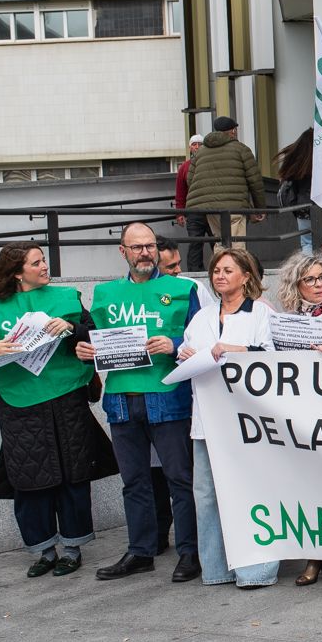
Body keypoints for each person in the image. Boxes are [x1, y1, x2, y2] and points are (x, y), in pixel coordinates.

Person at [77, 222, 200, 582]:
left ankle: (190, 552)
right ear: (123, 252)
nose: (145, 252)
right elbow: (98, 344)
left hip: (168, 397)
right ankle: (141, 551)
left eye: (149, 246)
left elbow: (201, 336)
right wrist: (86, 351)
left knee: (180, 478)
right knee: (134, 481)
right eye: (137, 247)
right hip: (121, 399)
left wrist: (175, 343)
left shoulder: (183, 288)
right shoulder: (104, 293)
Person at [0, 243, 111, 577]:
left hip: (66, 396)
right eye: (36, 262)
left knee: (73, 473)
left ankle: (72, 548)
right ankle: (43, 550)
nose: (45, 266)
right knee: (30, 478)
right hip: (19, 404)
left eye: (44, 260)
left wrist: (72, 329)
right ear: (16, 272)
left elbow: (100, 336)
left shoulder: (67, 298)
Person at [175, 247, 279, 589]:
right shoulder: (201, 317)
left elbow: (272, 357)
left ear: (246, 276)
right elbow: (187, 355)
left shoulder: (259, 314)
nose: (220, 275)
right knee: (206, 495)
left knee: (249, 491)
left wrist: (238, 351)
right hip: (206, 419)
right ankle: (216, 568)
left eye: (228, 270)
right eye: (216, 270)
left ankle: (256, 570)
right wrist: (185, 354)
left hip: (246, 421)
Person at [272, 250, 322, 587]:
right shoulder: (283, 320)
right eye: (311, 279)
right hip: (298, 415)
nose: (318, 285)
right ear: (296, 284)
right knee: (307, 489)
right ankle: (313, 555)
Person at [184, 117, 265, 249]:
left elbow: (190, 179)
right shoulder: (241, 149)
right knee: (237, 244)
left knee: (220, 242)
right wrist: (260, 207)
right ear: (232, 131)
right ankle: (234, 268)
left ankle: (220, 268)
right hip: (235, 206)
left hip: (209, 207)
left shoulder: (200, 153)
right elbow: (255, 180)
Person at [275, 127, 315, 253]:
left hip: (301, 207)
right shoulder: (319, 161)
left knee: (307, 242)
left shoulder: (297, 161)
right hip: (319, 206)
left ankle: (309, 270)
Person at [173, 134, 207, 270]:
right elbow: (180, 192)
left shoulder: (206, 164)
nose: (197, 147)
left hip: (210, 210)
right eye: (194, 144)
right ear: (190, 147)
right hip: (193, 211)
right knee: (195, 243)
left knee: (216, 242)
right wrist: (180, 213)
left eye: (200, 144)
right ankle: (194, 272)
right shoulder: (184, 167)